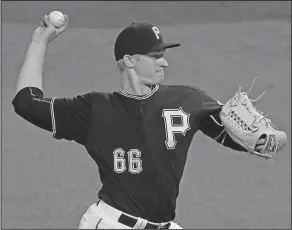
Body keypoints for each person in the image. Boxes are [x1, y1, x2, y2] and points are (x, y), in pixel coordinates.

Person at [12, 15, 267, 229]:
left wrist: (271, 140)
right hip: (111, 224)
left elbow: (249, 140)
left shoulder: (189, 99)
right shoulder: (94, 109)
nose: (164, 61)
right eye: (155, 55)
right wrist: (39, 40)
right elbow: (27, 103)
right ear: (129, 60)